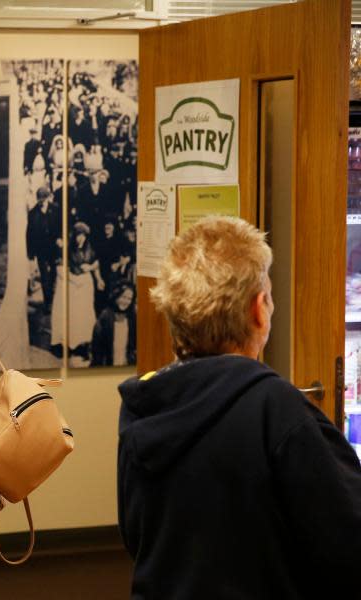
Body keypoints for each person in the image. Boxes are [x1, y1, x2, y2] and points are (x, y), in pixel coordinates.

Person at [118, 216, 361, 599]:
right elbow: (347, 544)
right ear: (258, 310)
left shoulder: (143, 405)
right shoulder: (276, 408)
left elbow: (137, 535)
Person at [51, 222, 103, 361]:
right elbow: (59, 268)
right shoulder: (67, 249)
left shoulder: (90, 249)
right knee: (69, 315)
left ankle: (82, 346)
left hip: (85, 285)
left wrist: (97, 277)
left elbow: (96, 264)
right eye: (78, 234)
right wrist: (73, 279)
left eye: (83, 235)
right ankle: (64, 345)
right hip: (70, 284)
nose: (80, 238)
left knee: (84, 316)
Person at [27, 186, 61, 311]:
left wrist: (60, 238)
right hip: (40, 249)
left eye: (44, 199)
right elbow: (29, 233)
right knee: (44, 276)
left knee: (53, 274)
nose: (42, 202)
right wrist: (30, 253)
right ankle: (48, 302)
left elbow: (61, 225)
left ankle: (52, 297)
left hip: (53, 248)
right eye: (40, 199)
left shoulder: (56, 209)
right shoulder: (33, 213)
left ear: (48, 198)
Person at [90, 281, 135, 366]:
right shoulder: (105, 317)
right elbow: (97, 349)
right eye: (123, 297)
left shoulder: (131, 317)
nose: (126, 301)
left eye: (129, 299)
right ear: (116, 296)